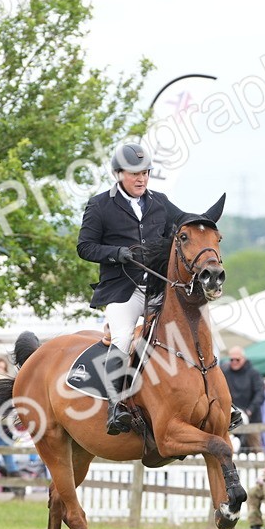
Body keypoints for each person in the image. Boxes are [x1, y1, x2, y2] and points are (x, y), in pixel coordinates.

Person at [77, 141, 184, 435]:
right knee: (123, 337)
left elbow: (182, 227)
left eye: (145, 173)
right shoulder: (100, 204)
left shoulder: (160, 202)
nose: (141, 179)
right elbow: (85, 247)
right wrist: (116, 253)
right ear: (118, 174)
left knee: (190, 331)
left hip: (157, 288)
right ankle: (115, 407)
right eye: (134, 173)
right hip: (123, 289)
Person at [223, 347, 265, 451]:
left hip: (252, 417)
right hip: (231, 417)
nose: (234, 362)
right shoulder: (225, 373)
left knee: (255, 448)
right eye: (231, 359)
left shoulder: (253, 373)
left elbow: (260, 394)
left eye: (237, 359)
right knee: (229, 448)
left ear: (243, 358)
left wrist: (250, 410)